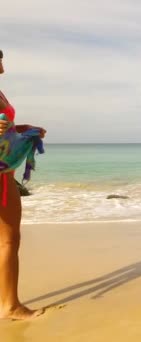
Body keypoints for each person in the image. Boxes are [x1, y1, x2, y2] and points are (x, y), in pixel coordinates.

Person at [0, 49, 47, 320]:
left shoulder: (1, 93)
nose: (3, 65)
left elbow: (6, 129)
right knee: (8, 240)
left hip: (5, 174)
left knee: (9, 239)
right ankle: (10, 306)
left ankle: (9, 303)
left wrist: (23, 129)